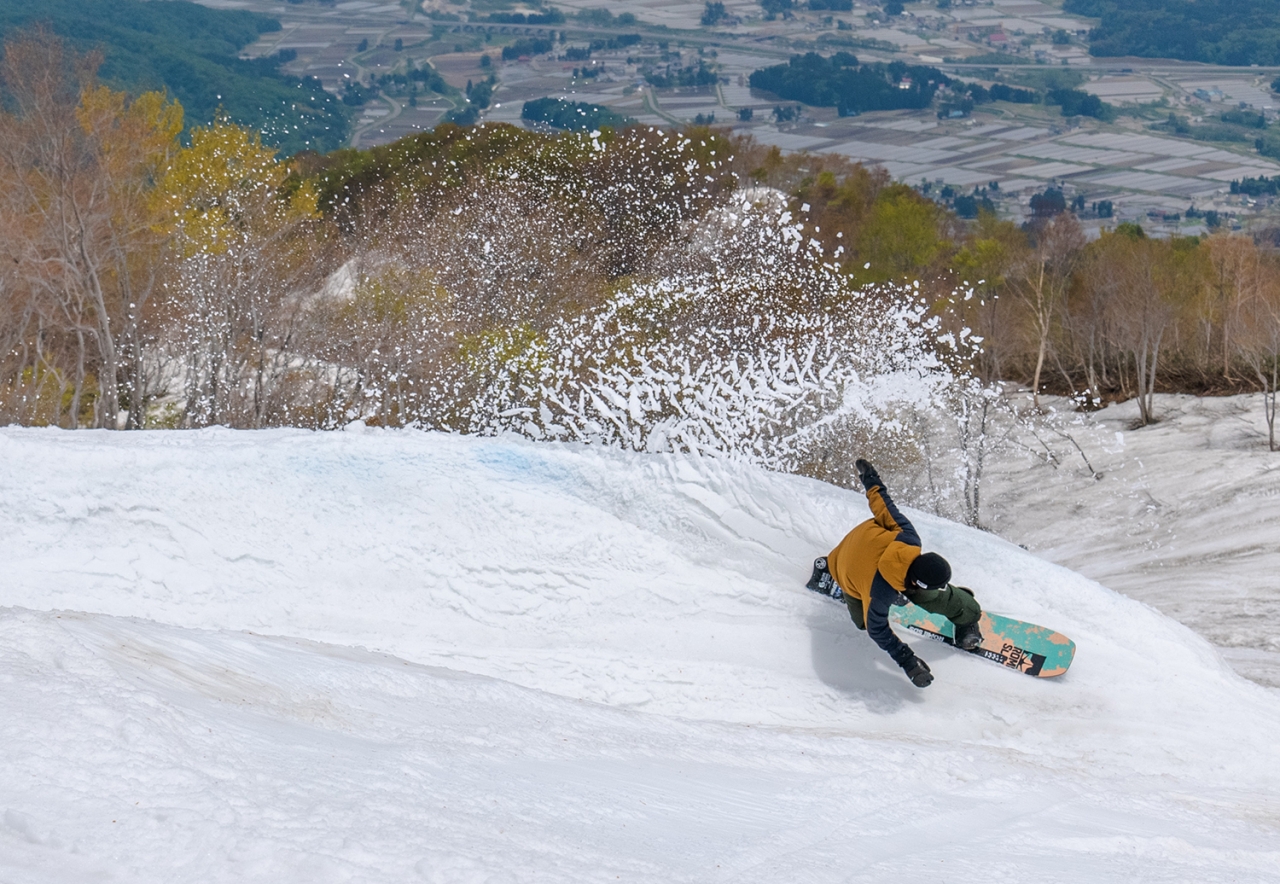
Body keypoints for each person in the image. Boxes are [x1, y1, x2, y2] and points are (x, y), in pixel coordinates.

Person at [806, 459, 983, 688]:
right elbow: (877, 630)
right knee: (866, 622)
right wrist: (908, 661)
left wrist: (870, 478)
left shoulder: (908, 537)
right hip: (850, 577)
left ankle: (829, 572)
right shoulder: (880, 593)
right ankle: (966, 613)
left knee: (869, 611)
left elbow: (883, 504)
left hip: (842, 554)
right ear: (917, 583)